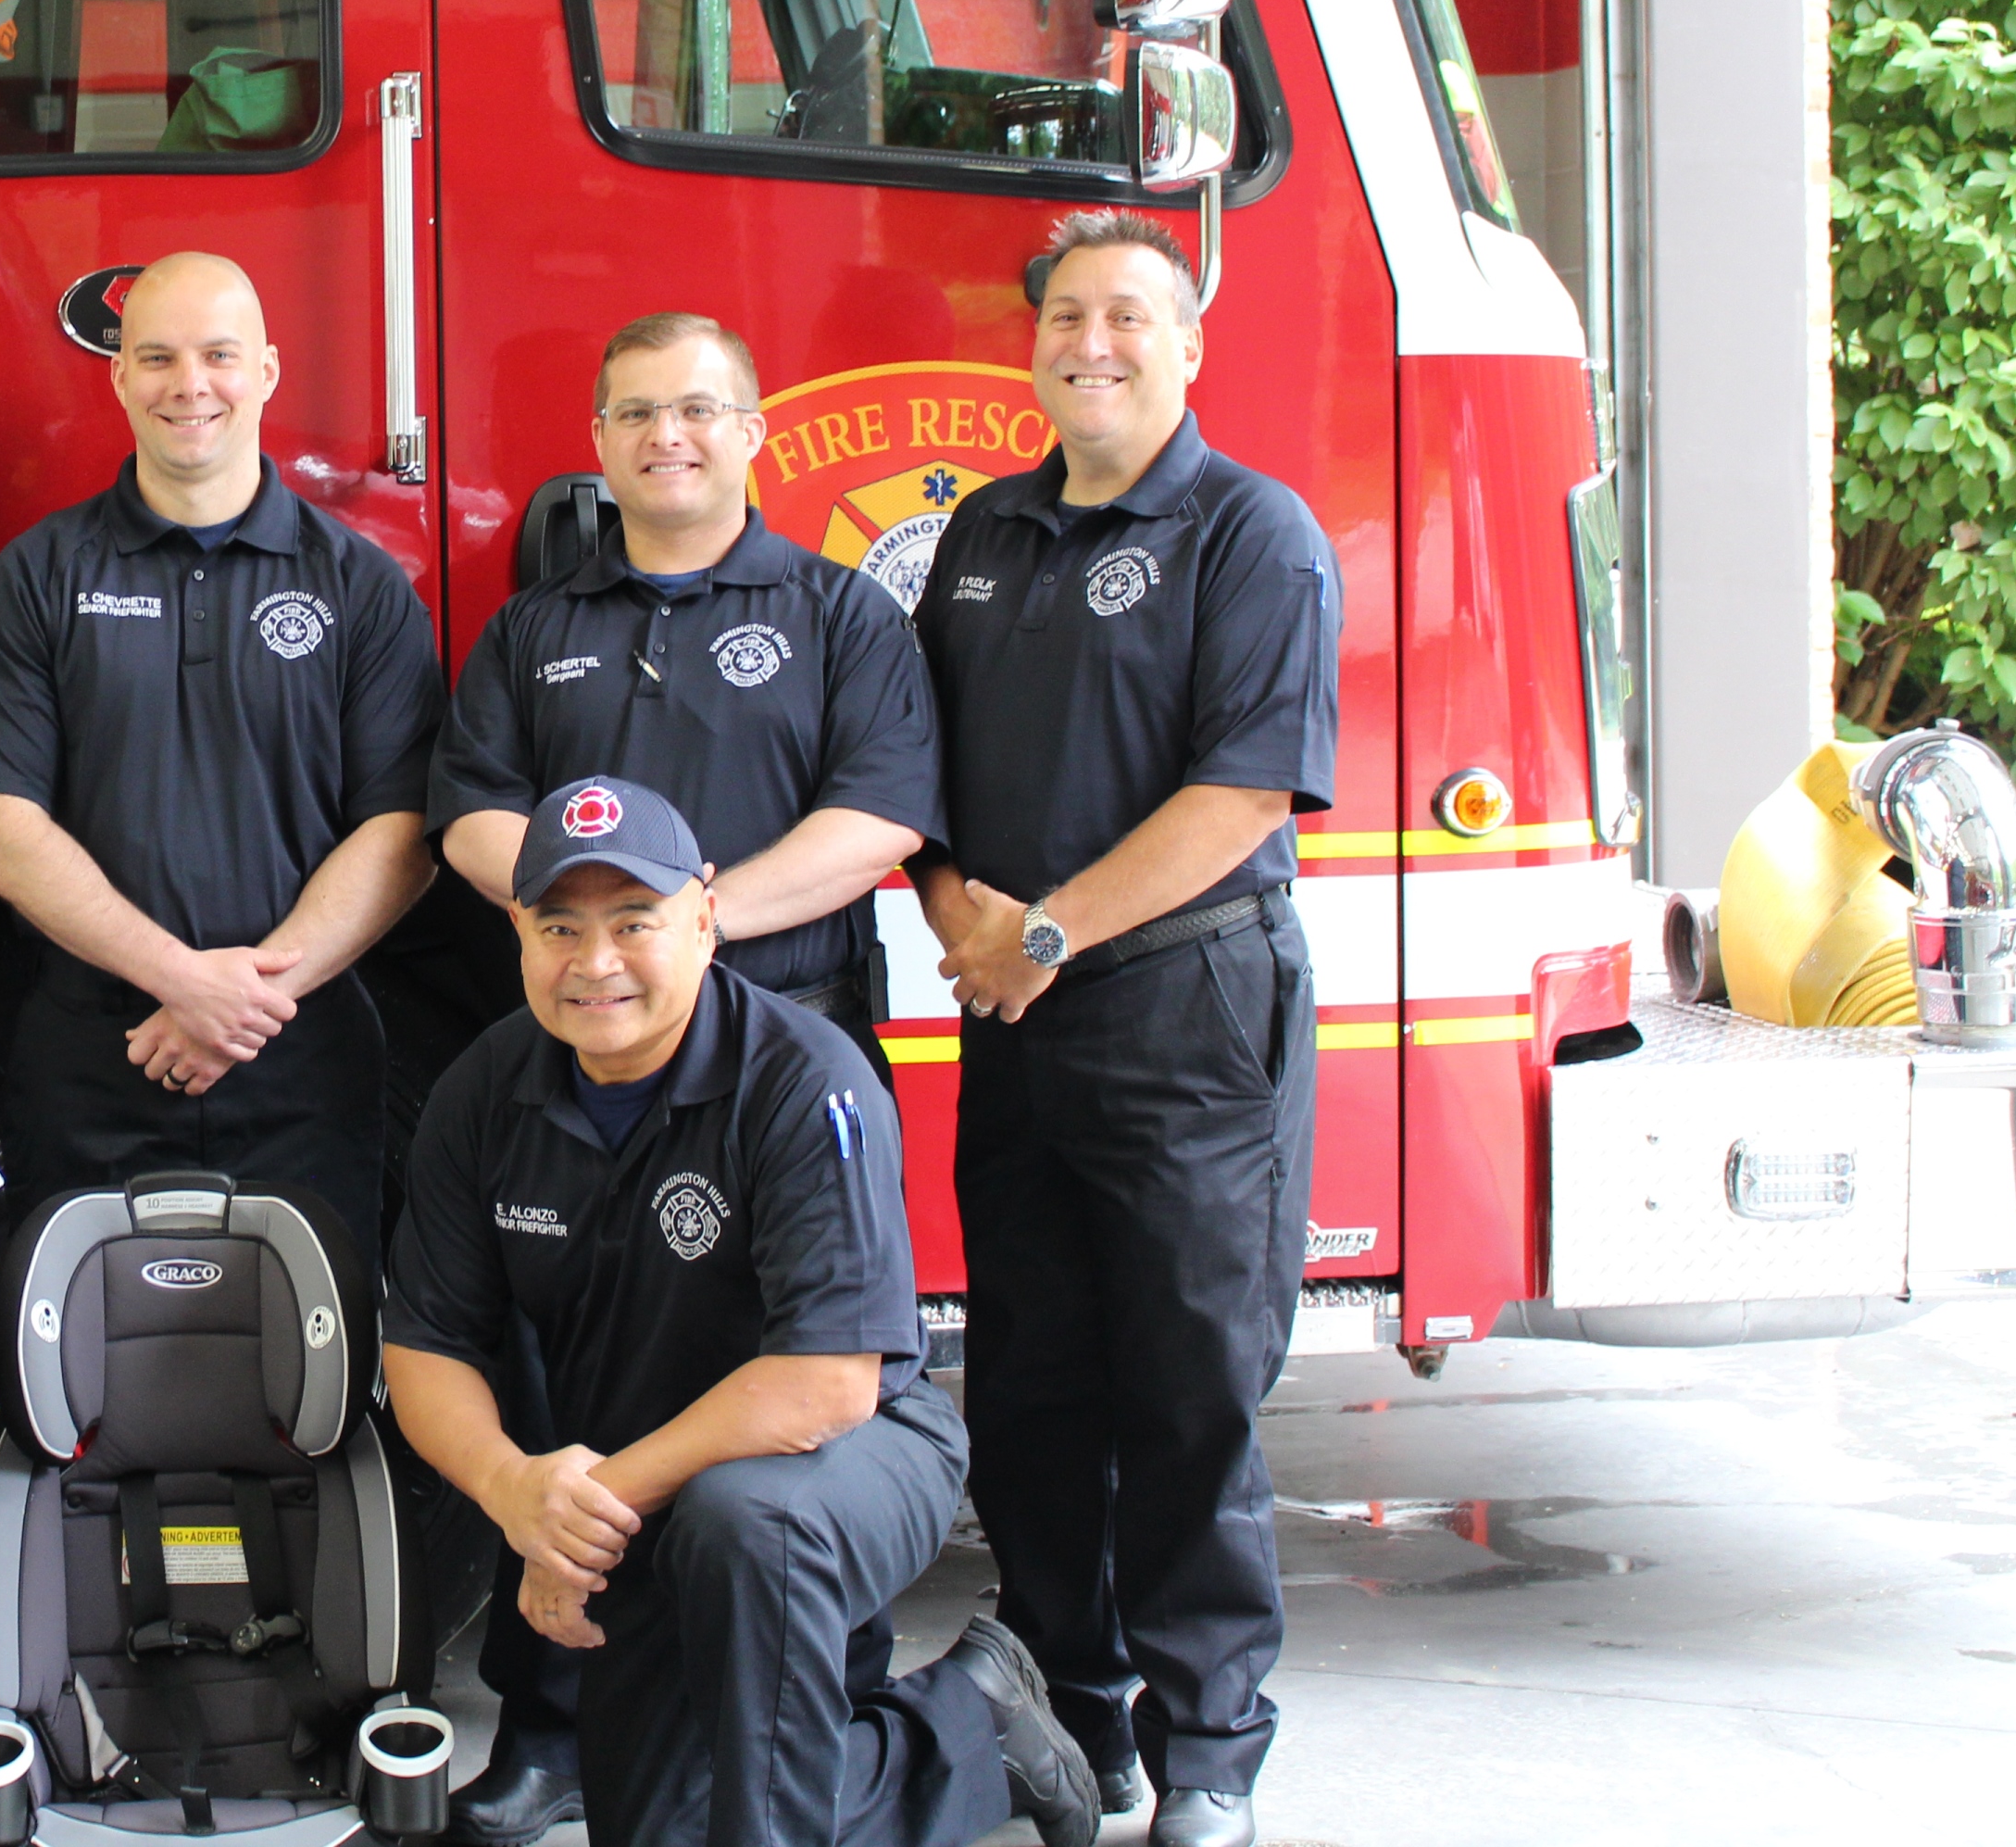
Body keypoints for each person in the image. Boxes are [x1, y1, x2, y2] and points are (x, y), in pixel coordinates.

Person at [423, 310, 945, 1843]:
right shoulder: (532, 632)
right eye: (638, 411)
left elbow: (883, 815)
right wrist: (605, 946)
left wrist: (691, 934)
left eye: (700, 409)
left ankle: (832, 1713)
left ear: (752, 431)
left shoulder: (839, 612)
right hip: (584, 1058)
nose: (669, 435)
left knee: (774, 1438)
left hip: (777, 1051)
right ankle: (551, 1715)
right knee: (555, 1379)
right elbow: (467, 816)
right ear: (595, 438)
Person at [380, 776, 1096, 1847]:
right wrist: (515, 1490)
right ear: (518, 931)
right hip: (652, 1483)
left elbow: (827, 1383)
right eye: (559, 926)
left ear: (706, 919)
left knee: (745, 1527)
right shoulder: (482, 1093)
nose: (595, 962)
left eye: (635, 922)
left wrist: (583, 1516)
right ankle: (969, 1727)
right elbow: (425, 1346)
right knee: (662, 1824)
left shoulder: (807, 1080)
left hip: (851, 1450)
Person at [908, 209, 1341, 1847]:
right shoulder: (982, 534)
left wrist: (1039, 928)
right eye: (1063, 316)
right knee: (1028, 1383)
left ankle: (1210, 1749)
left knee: (1187, 1387)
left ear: (1186, 345)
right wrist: (959, 908)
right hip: (1014, 1012)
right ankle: (1073, 1716)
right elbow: (917, 764)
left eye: (1126, 317)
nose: (1088, 341)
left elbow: (1237, 792)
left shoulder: (1252, 532)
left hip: (1185, 1011)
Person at [0, 250, 441, 1238]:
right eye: (158, 358)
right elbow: (2, 830)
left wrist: (242, 1004)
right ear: (120, 377)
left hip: (302, 1060)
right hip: (99, 1056)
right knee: (83, 1377)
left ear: (267, 370)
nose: (190, 384)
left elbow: (404, 831)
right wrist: (181, 980)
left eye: (219, 354)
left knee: (314, 1372)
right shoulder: (37, 578)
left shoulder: (361, 587)